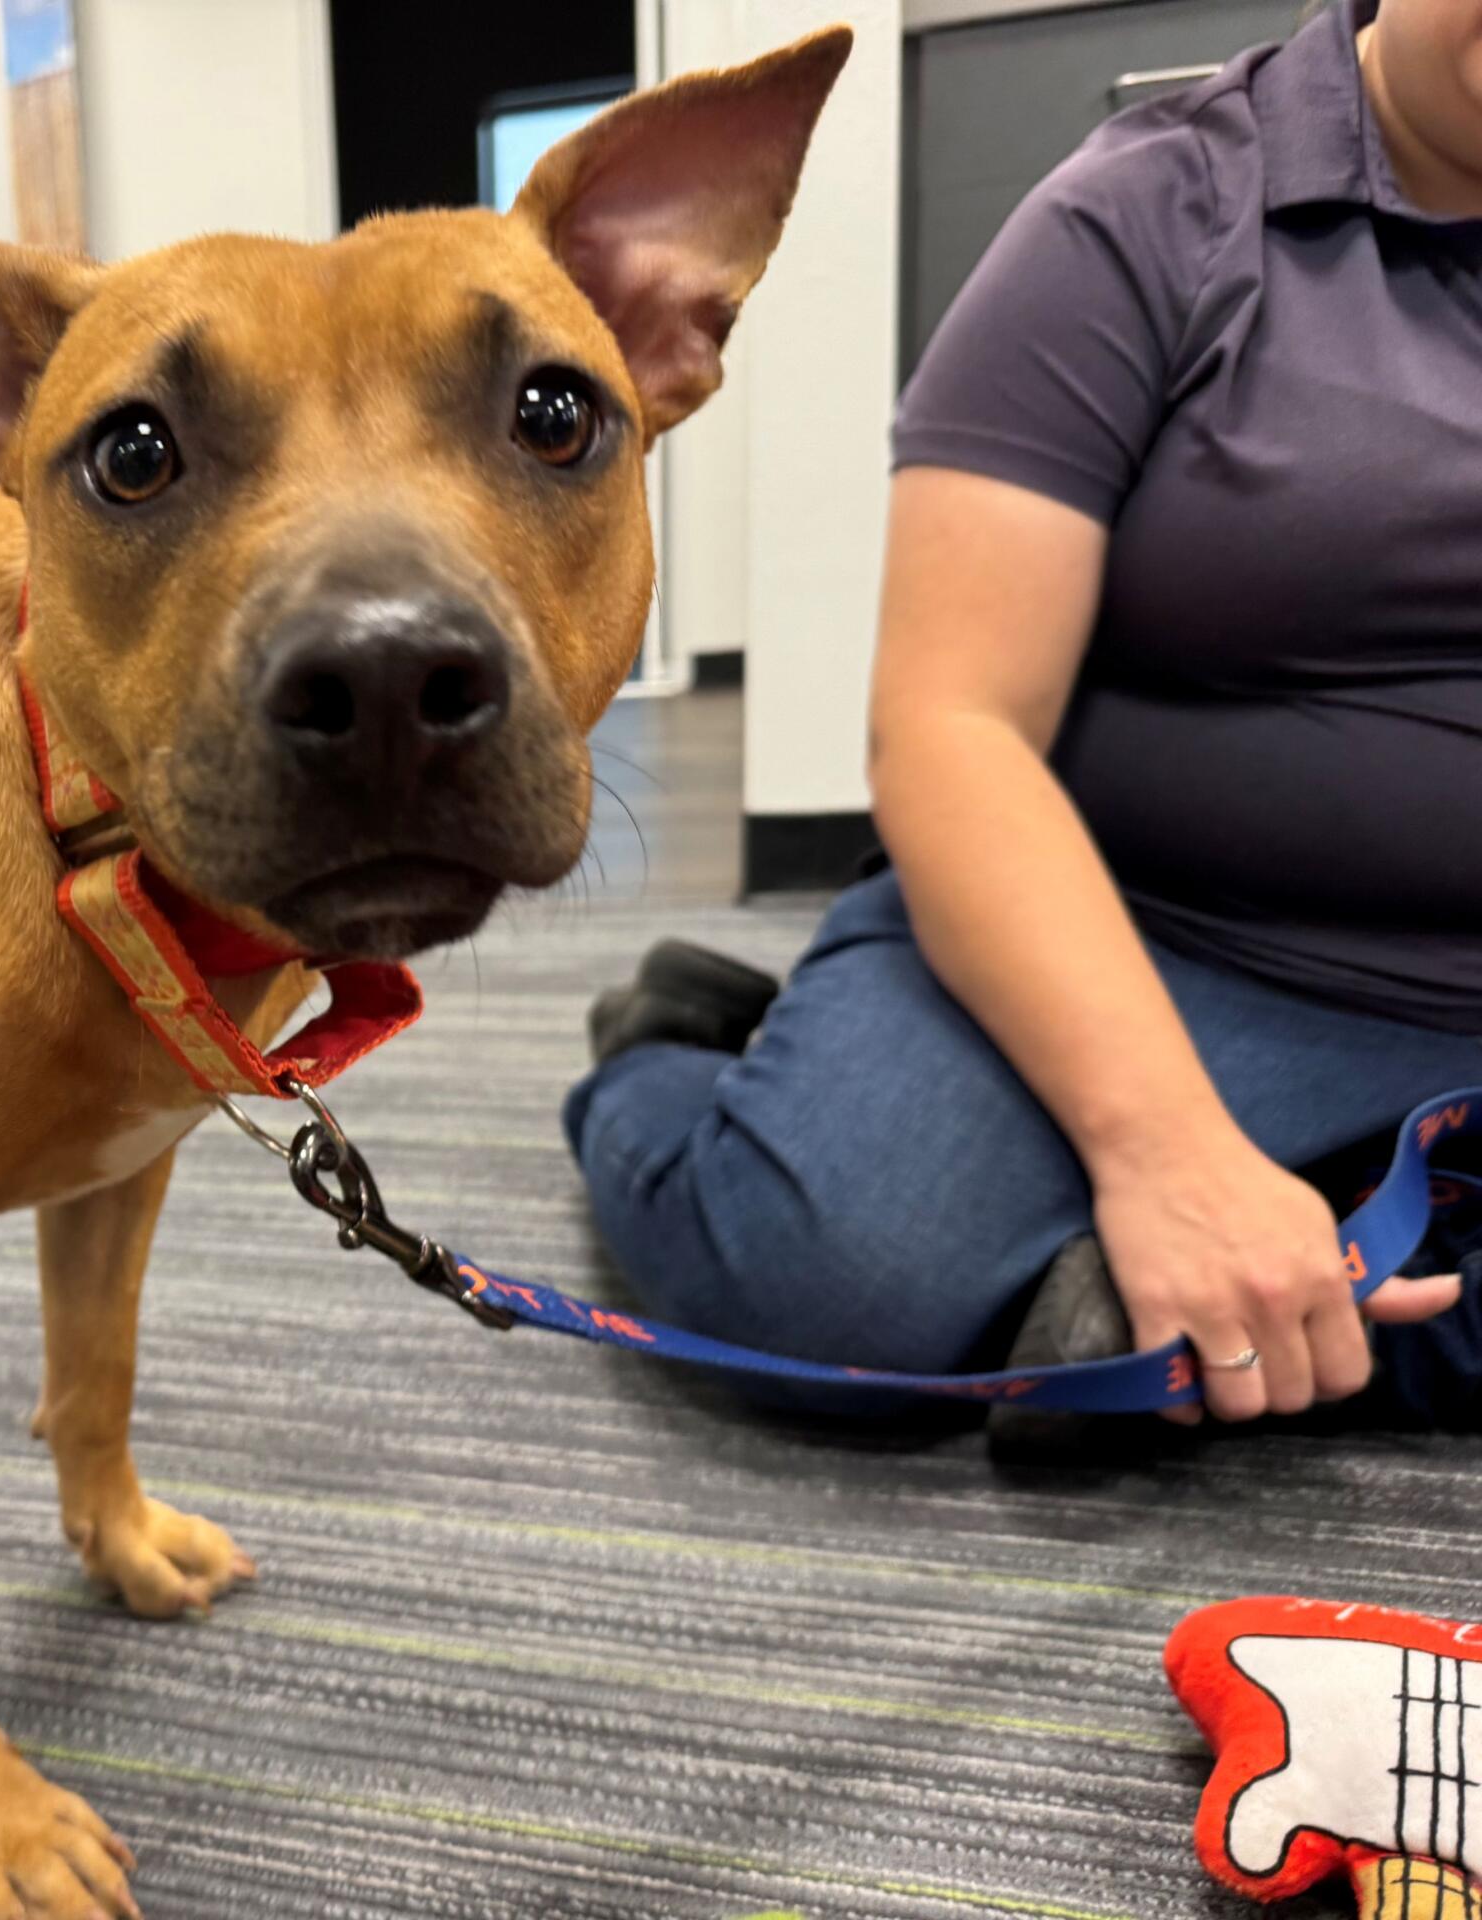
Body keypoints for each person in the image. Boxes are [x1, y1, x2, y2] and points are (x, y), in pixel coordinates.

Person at [565, 0, 1482, 1440]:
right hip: (1154, 939)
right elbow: (951, 723)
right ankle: (666, 1061)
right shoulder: (1151, 211)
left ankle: (1171, 1329)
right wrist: (1164, 1151)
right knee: (830, 1294)